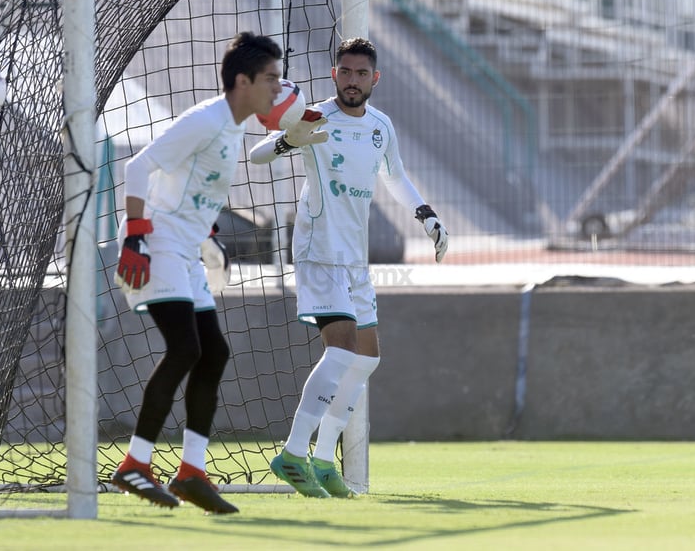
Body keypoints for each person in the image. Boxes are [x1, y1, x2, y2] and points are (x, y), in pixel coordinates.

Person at [249, 37, 448, 498]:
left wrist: (426, 214)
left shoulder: (381, 125)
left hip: (354, 258)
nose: (352, 80)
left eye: (361, 74)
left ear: (373, 79)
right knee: (340, 354)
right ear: (334, 74)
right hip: (319, 249)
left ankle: (323, 461)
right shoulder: (313, 115)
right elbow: (258, 156)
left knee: (366, 359)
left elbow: (395, 176)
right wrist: (286, 141)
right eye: (345, 72)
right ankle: (293, 454)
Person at [110, 31, 285, 513]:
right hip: (158, 239)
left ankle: (190, 472)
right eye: (271, 78)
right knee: (186, 348)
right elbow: (138, 168)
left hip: (185, 248)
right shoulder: (206, 120)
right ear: (243, 81)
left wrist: (206, 233)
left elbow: (194, 187)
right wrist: (136, 236)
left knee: (213, 353)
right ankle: (135, 466)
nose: (279, 86)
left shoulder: (235, 127)